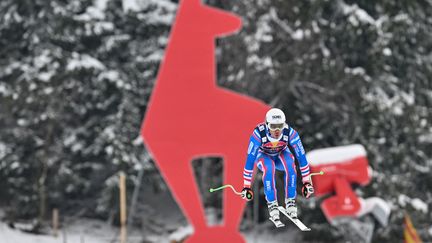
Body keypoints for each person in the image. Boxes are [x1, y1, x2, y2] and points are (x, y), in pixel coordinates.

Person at [241, 108, 314, 225]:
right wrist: (246, 186)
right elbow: (249, 160)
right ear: (267, 124)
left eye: (280, 126)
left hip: (280, 154)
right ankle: (272, 203)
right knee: (269, 168)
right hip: (263, 156)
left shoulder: (290, 132)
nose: (277, 130)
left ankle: (290, 201)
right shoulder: (258, 134)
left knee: (291, 164)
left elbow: (302, 157)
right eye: (273, 126)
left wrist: (307, 181)